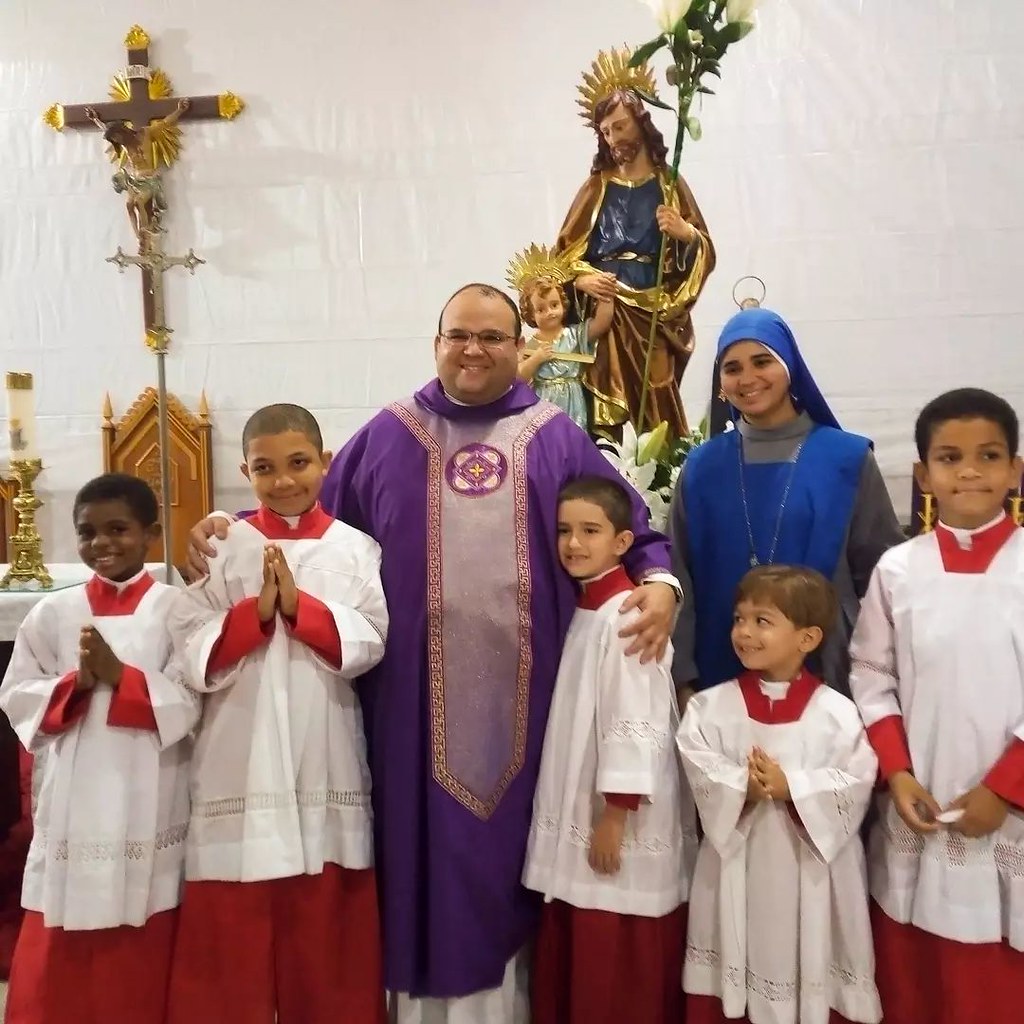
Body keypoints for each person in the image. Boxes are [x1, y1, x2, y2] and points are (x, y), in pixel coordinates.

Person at [186, 283, 681, 1023]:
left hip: (533, 699)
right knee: (420, 856)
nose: (474, 350)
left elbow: (624, 525)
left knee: (511, 859)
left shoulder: (553, 435)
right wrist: (223, 523)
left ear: (519, 349)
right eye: (459, 335)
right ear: (436, 343)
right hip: (410, 707)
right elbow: (301, 516)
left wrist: (663, 581)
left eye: (491, 337)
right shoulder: (390, 433)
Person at [166, 403, 387, 1024]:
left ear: (326, 461)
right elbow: (187, 642)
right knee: (238, 900)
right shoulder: (221, 545)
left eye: (298, 463)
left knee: (322, 900)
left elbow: (372, 639)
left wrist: (300, 609)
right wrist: (253, 615)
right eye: (265, 468)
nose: (284, 480)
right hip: (240, 741)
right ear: (244, 470)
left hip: (323, 739)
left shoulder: (355, 548)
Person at [849, 387, 1024, 1024]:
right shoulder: (899, 569)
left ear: (1016, 469)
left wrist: (1004, 791)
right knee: (915, 977)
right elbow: (872, 674)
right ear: (923, 474)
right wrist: (896, 773)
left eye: (989, 455)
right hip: (916, 800)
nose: (970, 471)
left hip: (1008, 810)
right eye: (950, 457)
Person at [0, 473, 198, 1024]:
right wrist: (78, 684)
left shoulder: (175, 610)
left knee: (144, 922)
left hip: (148, 786)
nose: (102, 544)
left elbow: (192, 700)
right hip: (75, 794)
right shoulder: (52, 614)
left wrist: (122, 677)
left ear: (151, 535)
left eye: (119, 530)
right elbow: (17, 693)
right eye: (87, 532)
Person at [523, 476, 693, 1024]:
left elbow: (634, 719)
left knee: (613, 940)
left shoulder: (628, 613)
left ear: (623, 542)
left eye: (590, 531)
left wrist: (615, 814)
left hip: (615, 813)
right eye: (565, 531)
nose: (574, 543)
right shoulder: (585, 607)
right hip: (583, 796)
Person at [677, 565, 881, 1024]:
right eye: (739, 619)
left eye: (762, 621)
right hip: (737, 865)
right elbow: (696, 760)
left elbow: (858, 778)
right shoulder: (711, 707)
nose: (744, 633)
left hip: (808, 872)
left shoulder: (837, 714)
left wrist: (795, 788)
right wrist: (742, 785)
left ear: (807, 639)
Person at [670, 306, 904, 699]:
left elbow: (883, 578)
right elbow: (679, 574)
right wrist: (683, 678)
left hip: (828, 673)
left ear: (790, 364)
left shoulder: (847, 459)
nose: (747, 379)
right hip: (719, 673)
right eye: (732, 368)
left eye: (762, 361)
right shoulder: (702, 466)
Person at [555, 50, 715, 439]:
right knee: (602, 401)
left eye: (620, 127)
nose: (613, 139)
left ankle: (658, 476)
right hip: (605, 307)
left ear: (642, 124)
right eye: (606, 132)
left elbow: (705, 249)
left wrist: (686, 235)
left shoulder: (669, 182)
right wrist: (580, 281)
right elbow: (560, 259)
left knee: (656, 393)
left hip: (653, 307)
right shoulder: (597, 186)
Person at [514, 270, 613, 433]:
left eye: (554, 305)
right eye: (540, 309)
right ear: (530, 314)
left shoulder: (574, 335)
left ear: (563, 303)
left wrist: (606, 291)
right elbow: (519, 377)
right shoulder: (532, 344)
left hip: (573, 398)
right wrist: (536, 358)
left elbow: (602, 323)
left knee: (573, 438)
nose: (549, 312)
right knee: (548, 439)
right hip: (544, 400)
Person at [84, 99, 190, 242]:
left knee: (139, 202)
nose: (116, 140)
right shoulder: (124, 146)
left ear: (123, 131)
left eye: (116, 136)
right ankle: (138, 236)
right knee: (129, 205)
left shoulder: (145, 134)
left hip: (150, 179)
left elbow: (164, 124)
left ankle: (145, 232)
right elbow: (105, 129)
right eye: (113, 139)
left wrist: (180, 110)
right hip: (135, 180)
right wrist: (95, 119)